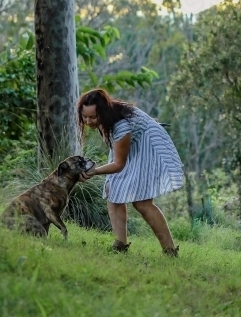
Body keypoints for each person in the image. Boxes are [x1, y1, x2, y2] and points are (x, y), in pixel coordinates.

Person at [76, 88, 184, 256]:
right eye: (85, 116)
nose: (88, 121)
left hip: (149, 146)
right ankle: (120, 245)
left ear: (102, 112)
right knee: (114, 191)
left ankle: (170, 251)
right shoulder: (109, 119)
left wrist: (95, 171)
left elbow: (118, 164)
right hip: (133, 144)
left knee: (142, 203)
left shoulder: (120, 125)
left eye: (93, 117)